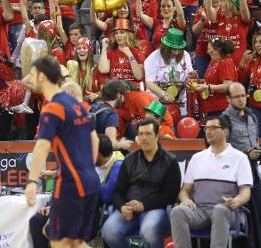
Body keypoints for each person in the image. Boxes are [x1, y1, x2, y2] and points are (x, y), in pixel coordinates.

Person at [24, 56, 101, 247]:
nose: (30, 79)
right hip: (90, 180)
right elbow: (95, 139)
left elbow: (42, 146)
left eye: (33, 75)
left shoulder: (52, 108)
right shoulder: (76, 104)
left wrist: (32, 181)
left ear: (42, 77)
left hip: (71, 183)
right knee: (75, 243)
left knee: (59, 243)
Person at [170, 116, 253, 248]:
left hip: (226, 210)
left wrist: (236, 201)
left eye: (213, 128)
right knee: (177, 212)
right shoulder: (197, 158)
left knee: (220, 210)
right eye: (206, 128)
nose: (208, 131)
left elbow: (245, 192)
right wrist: (185, 199)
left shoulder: (239, 158)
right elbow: (184, 191)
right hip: (199, 211)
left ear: (225, 132)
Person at [101, 118, 181, 248]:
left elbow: (170, 196)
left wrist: (144, 205)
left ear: (157, 136)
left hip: (156, 209)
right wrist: (122, 207)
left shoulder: (170, 161)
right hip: (129, 209)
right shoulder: (129, 159)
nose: (144, 138)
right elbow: (118, 191)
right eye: (141, 134)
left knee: (149, 231)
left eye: (148, 134)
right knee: (108, 231)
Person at [222, 82, 261, 248]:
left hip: (254, 175)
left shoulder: (252, 117)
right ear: (228, 99)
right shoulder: (224, 121)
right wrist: (246, 154)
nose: (241, 100)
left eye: (243, 96)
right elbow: (221, 152)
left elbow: (256, 142)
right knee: (245, 225)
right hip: (234, 180)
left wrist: (259, 153)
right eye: (237, 97)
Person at [144, 28, 194, 119]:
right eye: (173, 49)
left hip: (180, 103)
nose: (177, 52)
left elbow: (188, 74)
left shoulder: (185, 55)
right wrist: (164, 94)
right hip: (157, 102)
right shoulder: (153, 58)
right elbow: (149, 83)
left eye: (179, 49)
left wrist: (191, 77)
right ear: (166, 47)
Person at [193, 37, 237, 119]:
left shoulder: (226, 63)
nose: (208, 52)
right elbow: (210, 81)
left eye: (210, 49)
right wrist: (197, 80)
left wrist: (207, 87)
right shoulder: (213, 62)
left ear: (218, 50)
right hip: (211, 107)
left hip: (222, 109)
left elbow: (227, 86)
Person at [98, 19, 145, 87]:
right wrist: (104, 48)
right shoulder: (111, 52)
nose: (118, 35)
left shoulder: (137, 52)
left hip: (132, 89)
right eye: (116, 33)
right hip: (115, 90)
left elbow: (139, 76)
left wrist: (129, 54)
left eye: (122, 32)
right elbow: (103, 70)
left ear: (128, 34)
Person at [90, 79, 134, 151]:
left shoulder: (95, 106)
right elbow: (111, 144)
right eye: (123, 95)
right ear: (118, 94)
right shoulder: (111, 115)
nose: (124, 99)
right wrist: (122, 144)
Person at [192, 0, 223, 75]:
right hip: (202, 52)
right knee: (200, 79)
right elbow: (195, 31)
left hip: (219, 53)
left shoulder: (224, 11)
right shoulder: (201, 10)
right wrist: (202, 20)